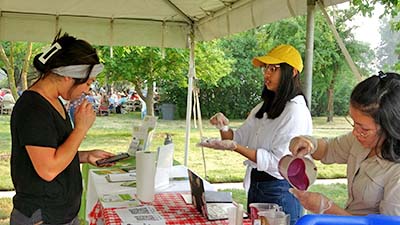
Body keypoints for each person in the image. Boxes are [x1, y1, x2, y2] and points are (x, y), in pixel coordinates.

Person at [10, 32, 116, 225]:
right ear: (69, 76)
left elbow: (54, 153)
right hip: (42, 216)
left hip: (60, 215)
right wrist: (81, 129)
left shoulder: (54, 102)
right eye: (88, 83)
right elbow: (48, 169)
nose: (87, 90)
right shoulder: (33, 108)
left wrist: (86, 156)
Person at [200, 44, 312, 225]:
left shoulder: (295, 111)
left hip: (280, 189)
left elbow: (278, 161)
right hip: (256, 184)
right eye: (265, 68)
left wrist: (236, 148)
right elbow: (238, 139)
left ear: (292, 72)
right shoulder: (263, 106)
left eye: (273, 69)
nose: (267, 74)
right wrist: (224, 128)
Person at [289, 71, 400, 216]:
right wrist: (310, 143)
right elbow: (328, 149)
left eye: (364, 128)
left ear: (390, 127)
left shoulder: (396, 172)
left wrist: (328, 208)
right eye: (353, 123)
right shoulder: (360, 141)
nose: (355, 132)